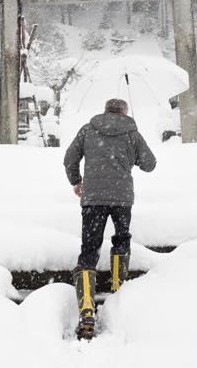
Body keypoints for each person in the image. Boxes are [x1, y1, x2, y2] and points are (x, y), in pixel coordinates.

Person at [63, 98, 156, 340]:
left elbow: (69, 158)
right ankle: (117, 294)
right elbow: (150, 164)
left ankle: (86, 310)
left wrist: (76, 181)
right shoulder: (132, 133)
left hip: (93, 199)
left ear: (105, 110)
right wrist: (132, 152)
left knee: (89, 249)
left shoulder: (88, 129)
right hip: (122, 198)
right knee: (121, 240)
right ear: (124, 112)